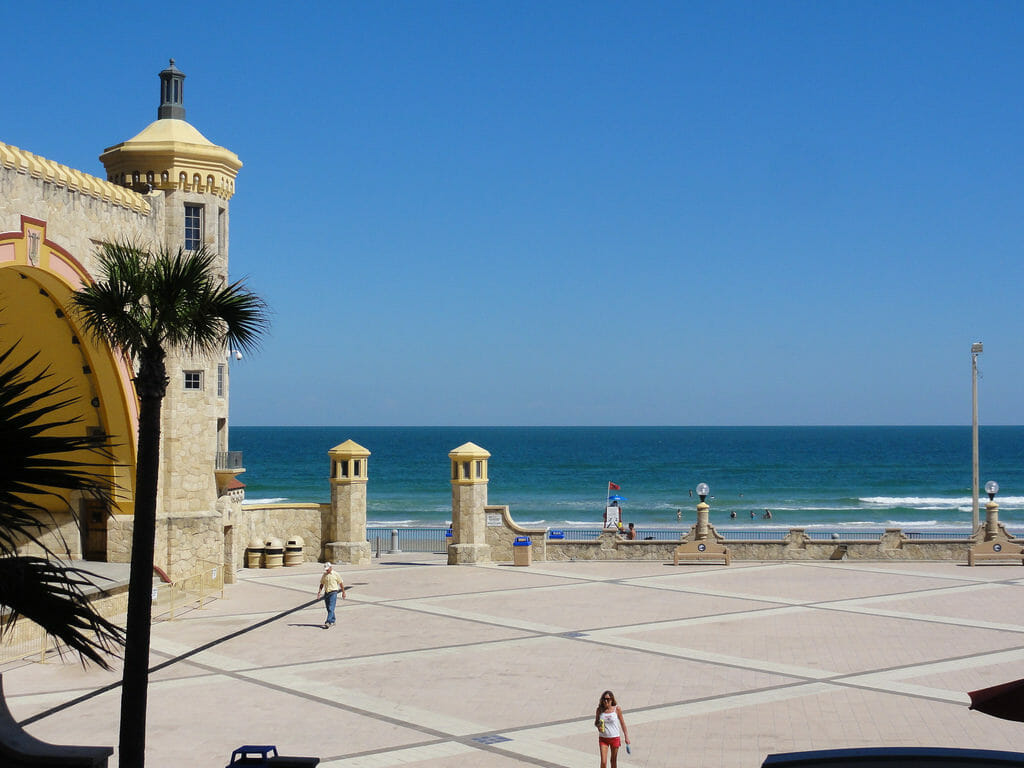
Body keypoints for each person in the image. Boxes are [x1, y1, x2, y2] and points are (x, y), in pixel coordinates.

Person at [594, 690, 629, 768]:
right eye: (604, 699)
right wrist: (598, 726)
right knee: (603, 761)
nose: (606, 701)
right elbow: (596, 722)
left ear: (612, 700)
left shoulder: (617, 709)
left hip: (615, 738)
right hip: (603, 739)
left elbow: (623, 724)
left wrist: (626, 737)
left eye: (608, 699)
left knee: (613, 761)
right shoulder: (599, 710)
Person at [316, 562, 346, 629]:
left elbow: (341, 583)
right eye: (326, 569)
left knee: (331, 607)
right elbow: (322, 583)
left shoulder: (336, 574)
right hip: (327, 593)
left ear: (331, 567)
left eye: (327, 569)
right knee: (328, 608)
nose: (327, 571)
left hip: (333, 592)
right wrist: (319, 592)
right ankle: (333, 620)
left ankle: (328, 622)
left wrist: (343, 592)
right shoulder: (324, 575)